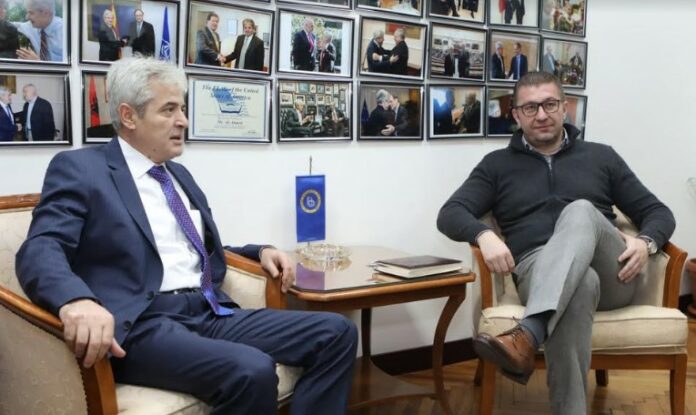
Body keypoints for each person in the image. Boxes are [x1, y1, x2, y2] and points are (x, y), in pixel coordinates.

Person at [16, 57, 358, 415]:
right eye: (169, 110)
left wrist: (258, 252)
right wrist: (75, 300)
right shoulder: (83, 169)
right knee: (252, 370)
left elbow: (190, 248)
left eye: (182, 108)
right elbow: (41, 247)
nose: (183, 120)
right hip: (143, 324)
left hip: (208, 310)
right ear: (129, 116)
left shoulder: (178, 176)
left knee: (337, 333)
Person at [437, 71, 675, 415]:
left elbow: (658, 212)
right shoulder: (496, 166)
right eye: (530, 108)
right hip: (537, 270)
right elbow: (450, 213)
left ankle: (528, 333)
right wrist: (483, 235)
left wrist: (646, 242)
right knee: (580, 285)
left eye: (550, 104)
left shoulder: (602, 157)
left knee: (580, 210)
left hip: (613, 275)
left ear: (565, 107)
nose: (542, 114)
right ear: (516, 115)